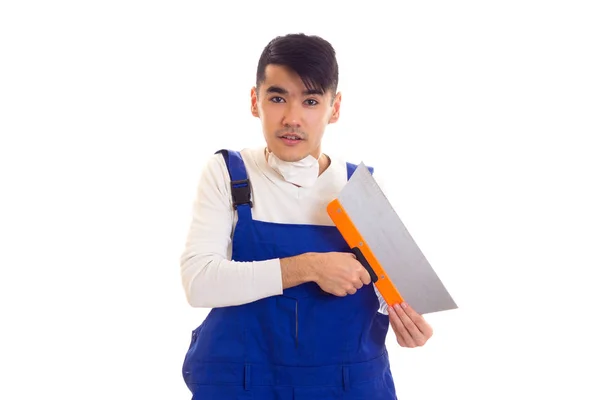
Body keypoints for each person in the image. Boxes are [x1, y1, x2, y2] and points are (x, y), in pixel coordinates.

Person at [179, 33, 433, 399]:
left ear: (336, 107)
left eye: (311, 100)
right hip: (242, 386)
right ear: (255, 101)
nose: (292, 118)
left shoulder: (359, 188)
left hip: (346, 388)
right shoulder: (229, 174)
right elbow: (198, 281)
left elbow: (391, 293)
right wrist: (309, 267)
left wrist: (409, 323)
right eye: (278, 97)